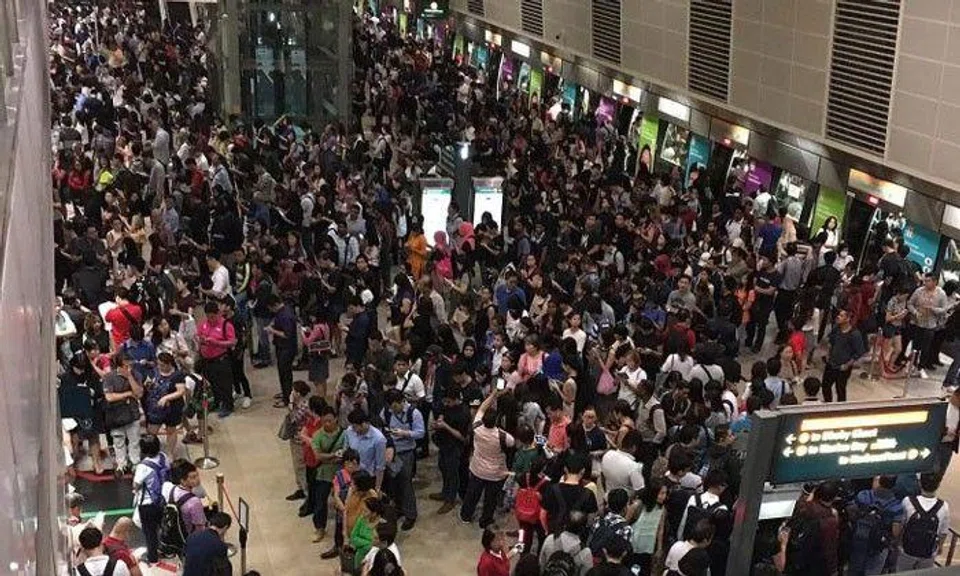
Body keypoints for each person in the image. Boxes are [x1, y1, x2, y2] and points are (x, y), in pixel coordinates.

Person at [459, 390, 516, 529]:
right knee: (490, 500)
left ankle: (466, 515)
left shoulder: (476, 427)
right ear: (496, 420)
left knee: (472, 494)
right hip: (495, 474)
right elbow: (512, 443)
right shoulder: (503, 437)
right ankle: (485, 521)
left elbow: (481, 408)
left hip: (478, 469)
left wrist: (493, 395)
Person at [381, 388, 424, 531]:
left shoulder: (414, 413)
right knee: (393, 483)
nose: (393, 409)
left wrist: (405, 433)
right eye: (390, 407)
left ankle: (410, 514)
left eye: (395, 406)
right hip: (391, 452)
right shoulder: (386, 412)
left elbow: (420, 433)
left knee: (406, 484)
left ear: (401, 401)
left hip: (406, 452)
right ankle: (399, 509)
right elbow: (382, 428)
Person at [897, 472, 952, 571]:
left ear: (920, 483)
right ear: (938, 485)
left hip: (907, 549)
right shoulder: (944, 506)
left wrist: (899, 543)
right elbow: (943, 532)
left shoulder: (908, 501)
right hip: (928, 552)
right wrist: (939, 547)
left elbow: (901, 524)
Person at [308, 402, 347, 542]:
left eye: (330, 420)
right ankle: (319, 528)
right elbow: (318, 456)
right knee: (320, 502)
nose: (327, 424)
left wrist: (330, 457)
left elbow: (345, 453)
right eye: (325, 421)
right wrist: (333, 456)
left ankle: (343, 527)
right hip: (323, 474)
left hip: (340, 474)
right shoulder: (318, 435)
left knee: (342, 501)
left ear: (336, 419)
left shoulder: (344, 434)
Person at [430, 385, 470, 514]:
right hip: (443, 443)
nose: (446, 404)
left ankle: (450, 500)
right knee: (443, 468)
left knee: (453, 473)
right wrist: (438, 423)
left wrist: (446, 426)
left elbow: (462, 437)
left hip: (455, 447)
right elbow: (442, 415)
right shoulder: (446, 407)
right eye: (445, 401)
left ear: (456, 399)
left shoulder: (463, 412)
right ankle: (444, 492)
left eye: (449, 402)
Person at [102, 353, 143, 475]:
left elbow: (139, 393)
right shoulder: (109, 377)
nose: (129, 368)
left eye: (131, 365)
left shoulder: (136, 375)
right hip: (116, 414)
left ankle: (135, 462)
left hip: (132, 413)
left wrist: (130, 377)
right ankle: (121, 464)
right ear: (119, 366)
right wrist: (127, 394)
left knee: (134, 440)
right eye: (126, 366)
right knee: (118, 440)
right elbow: (109, 397)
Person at [132, 435, 168, 565]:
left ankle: (152, 558)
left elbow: (135, 485)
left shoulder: (143, 466)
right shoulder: (164, 457)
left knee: (150, 532)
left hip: (148, 504)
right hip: (163, 499)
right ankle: (165, 548)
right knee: (162, 526)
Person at [196, 301, 236, 418]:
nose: (210, 319)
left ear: (218, 314)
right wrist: (201, 341)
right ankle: (217, 402)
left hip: (221, 359)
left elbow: (232, 342)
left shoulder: (226, 325)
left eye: (212, 317)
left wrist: (216, 342)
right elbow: (198, 336)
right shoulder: (203, 324)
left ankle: (228, 405)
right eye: (208, 317)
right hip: (207, 359)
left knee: (224, 384)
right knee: (212, 383)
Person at [821, 308, 866, 402]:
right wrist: (828, 353)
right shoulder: (836, 329)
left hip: (843, 367)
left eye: (841, 316)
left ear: (848, 318)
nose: (838, 317)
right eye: (838, 315)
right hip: (831, 363)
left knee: (840, 389)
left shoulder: (855, 334)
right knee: (825, 385)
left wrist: (848, 364)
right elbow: (831, 341)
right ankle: (828, 405)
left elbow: (859, 352)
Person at [266, 294, 298, 408]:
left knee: (285, 374)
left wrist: (272, 330)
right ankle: (286, 393)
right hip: (283, 347)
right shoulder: (283, 312)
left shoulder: (285, 315)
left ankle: (287, 398)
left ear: (274, 305)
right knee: (284, 373)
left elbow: (286, 334)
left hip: (286, 348)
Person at [345, 408, 388, 491]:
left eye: (355, 427)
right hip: (351, 475)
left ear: (364, 424)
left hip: (368, 478)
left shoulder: (378, 439)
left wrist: (377, 487)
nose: (353, 429)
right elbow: (346, 449)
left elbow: (380, 466)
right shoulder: (350, 431)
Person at [182, 512, 232, 576]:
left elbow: (184, 558)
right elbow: (222, 571)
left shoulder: (192, 536)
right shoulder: (220, 546)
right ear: (225, 527)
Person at [600, 429, 645, 496]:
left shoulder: (607, 454)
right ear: (634, 448)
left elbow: (602, 477)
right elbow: (639, 489)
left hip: (608, 496)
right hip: (624, 502)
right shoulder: (634, 467)